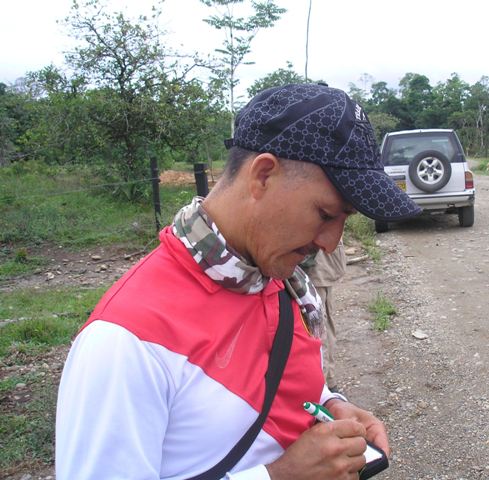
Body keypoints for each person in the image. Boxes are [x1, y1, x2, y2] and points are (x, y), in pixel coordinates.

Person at [56, 83, 421, 479]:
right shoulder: (125, 341)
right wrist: (279, 476)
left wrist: (330, 406)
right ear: (263, 175)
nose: (330, 243)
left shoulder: (281, 284)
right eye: (325, 214)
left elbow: (285, 392)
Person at [301, 242, 347, 392]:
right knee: (324, 326)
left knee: (319, 329)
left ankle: (325, 385)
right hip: (323, 268)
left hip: (316, 271)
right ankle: (328, 382)